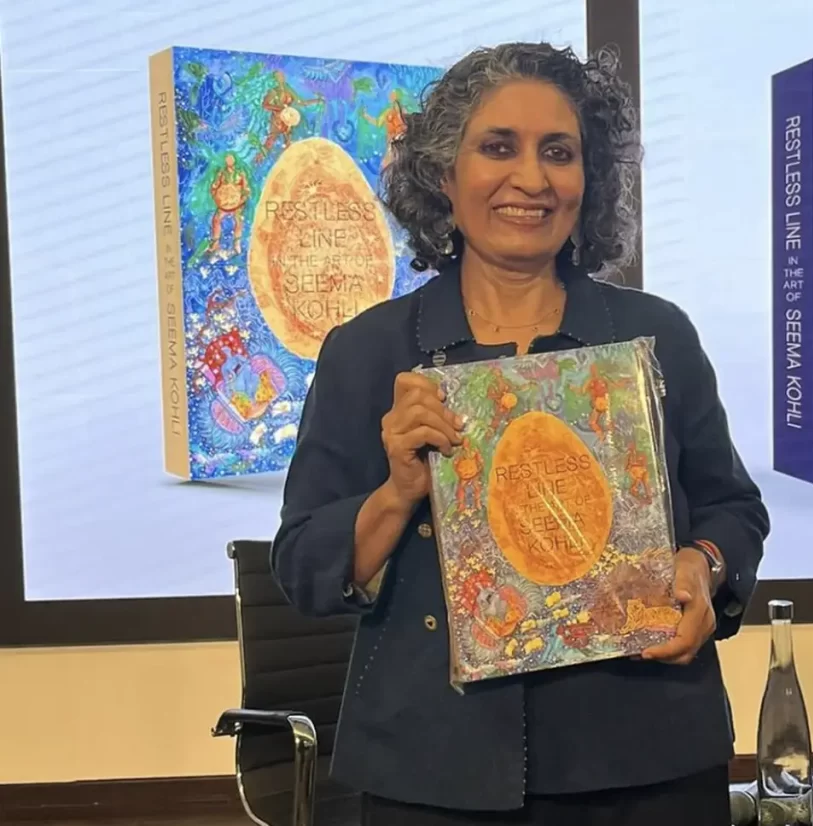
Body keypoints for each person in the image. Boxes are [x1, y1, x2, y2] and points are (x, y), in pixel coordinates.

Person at [271, 41, 769, 826]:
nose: (531, 179)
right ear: (445, 173)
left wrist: (703, 569)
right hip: (432, 770)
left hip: (648, 756)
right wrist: (399, 492)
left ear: (588, 180)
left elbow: (733, 509)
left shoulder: (655, 336)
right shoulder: (368, 352)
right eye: (498, 147)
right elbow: (303, 565)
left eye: (559, 153)